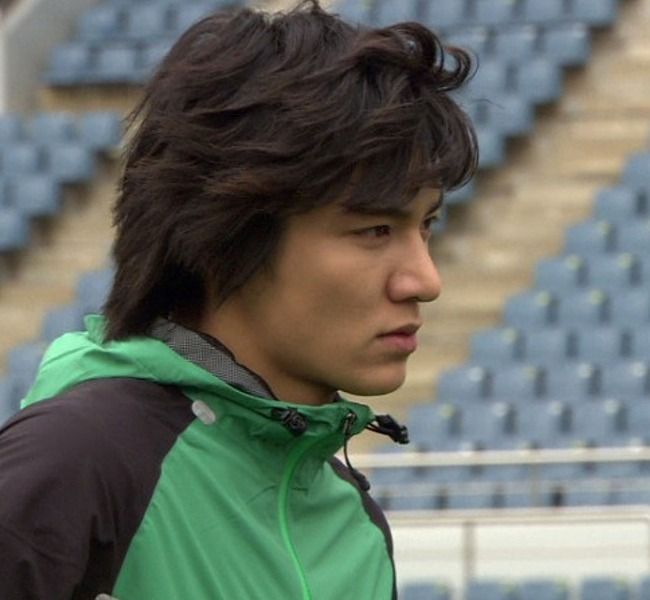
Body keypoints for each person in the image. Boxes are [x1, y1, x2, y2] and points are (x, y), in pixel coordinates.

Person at [0, 1, 477, 598]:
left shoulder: (354, 525)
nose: (424, 280)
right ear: (225, 235)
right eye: (374, 230)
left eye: (425, 224)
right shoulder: (71, 462)